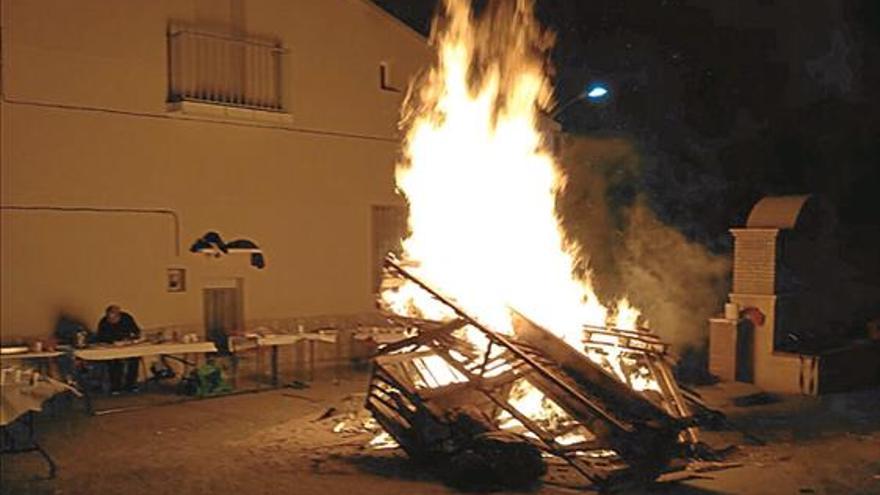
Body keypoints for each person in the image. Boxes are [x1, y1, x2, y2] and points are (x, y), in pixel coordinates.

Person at [96, 305, 141, 393]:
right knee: (114, 362)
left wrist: (129, 339)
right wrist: (111, 341)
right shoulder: (104, 322)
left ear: (119, 315)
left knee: (134, 359)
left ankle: (131, 385)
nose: (112, 320)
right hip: (111, 347)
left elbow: (136, 331)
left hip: (127, 345)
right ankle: (116, 386)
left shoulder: (127, 318)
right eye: (110, 318)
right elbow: (100, 337)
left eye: (114, 318)